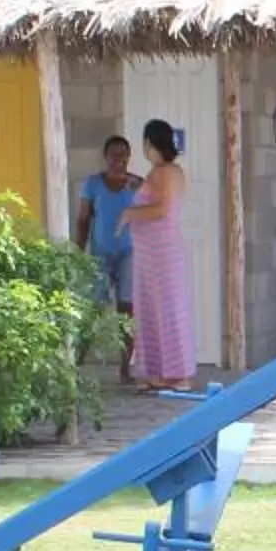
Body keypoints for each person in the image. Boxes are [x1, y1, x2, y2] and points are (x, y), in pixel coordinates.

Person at [117, 117, 200, 392]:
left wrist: (130, 214)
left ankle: (178, 374)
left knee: (169, 310)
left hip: (163, 253)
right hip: (148, 255)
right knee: (149, 311)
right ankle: (158, 372)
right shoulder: (158, 172)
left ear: (151, 143)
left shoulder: (168, 171)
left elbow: (163, 209)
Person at [72, 136, 140, 381]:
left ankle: (125, 368)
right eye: (113, 154)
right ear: (106, 157)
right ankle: (76, 362)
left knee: (126, 310)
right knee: (94, 308)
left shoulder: (135, 185)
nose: (118, 160)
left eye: (123, 155)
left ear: (128, 157)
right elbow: (83, 219)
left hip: (128, 254)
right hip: (100, 254)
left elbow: (152, 213)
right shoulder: (93, 184)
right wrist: (78, 252)